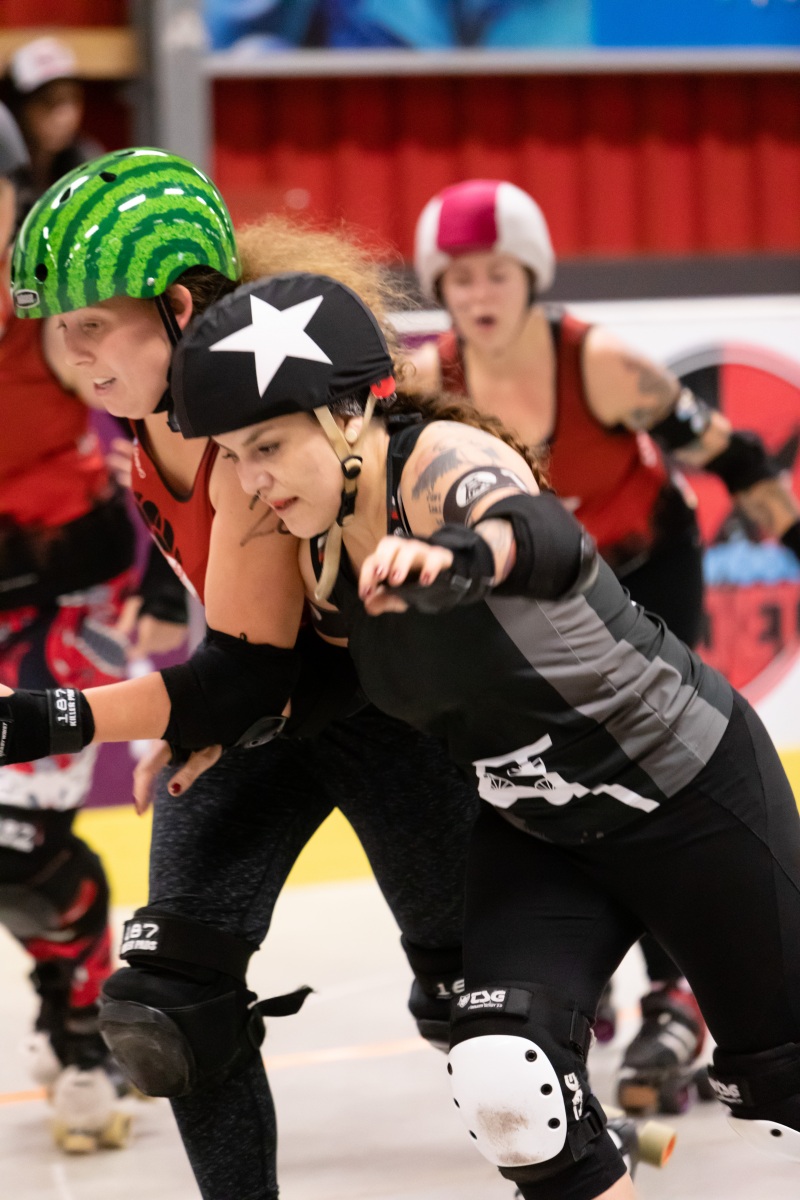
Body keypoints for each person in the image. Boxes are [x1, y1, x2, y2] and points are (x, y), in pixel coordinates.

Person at [162, 269, 800, 1200]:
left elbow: (540, 533)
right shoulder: (315, 547)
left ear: (350, 413)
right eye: (232, 454)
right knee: (508, 1086)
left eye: (267, 445)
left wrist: (461, 556)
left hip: (685, 794)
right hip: (539, 827)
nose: (250, 481)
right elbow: (296, 689)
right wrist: (77, 720)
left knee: (786, 1092)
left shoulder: (435, 458)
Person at [4, 147, 481, 1199]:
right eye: (61, 326)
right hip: (265, 716)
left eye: (92, 323)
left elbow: (249, 673)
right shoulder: (147, 405)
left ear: (179, 308)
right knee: (168, 1004)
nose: (71, 352)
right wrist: (190, 715)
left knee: (484, 1023)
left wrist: (46, 717)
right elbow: (244, 663)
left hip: (391, 716)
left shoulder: (256, 422)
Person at [406, 177, 800, 1112]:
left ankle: (673, 994)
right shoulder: (427, 380)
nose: (479, 294)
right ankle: (575, 973)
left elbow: (735, 458)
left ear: (532, 274)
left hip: (643, 566)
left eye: (497, 273)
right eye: (459, 278)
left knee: (655, 768)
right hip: (530, 596)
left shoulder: (601, 363)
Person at [0, 108, 183, 1152]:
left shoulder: (44, 318)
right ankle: (69, 1003)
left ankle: (81, 1031)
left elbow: (154, 415)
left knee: (17, 843)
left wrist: (163, 580)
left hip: (65, 592)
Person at [2, 36, 102, 216]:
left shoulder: (89, 163)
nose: (63, 117)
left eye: (71, 99)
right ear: (18, 107)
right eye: (48, 101)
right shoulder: (4, 172)